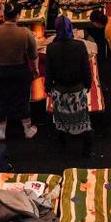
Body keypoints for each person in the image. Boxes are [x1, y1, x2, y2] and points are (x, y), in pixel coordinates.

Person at [0, 2, 39, 140]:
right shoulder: (25, 32)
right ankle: (27, 129)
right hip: (19, 71)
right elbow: (34, 55)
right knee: (23, 97)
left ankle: (2, 130)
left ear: (4, 15)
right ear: (18, 16)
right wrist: (36, 69)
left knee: (1, 98)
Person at [45, 16, 93, 157]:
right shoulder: (79, 46)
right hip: (77, 90)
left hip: (59, 90)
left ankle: (62, 146)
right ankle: (87, 150)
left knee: (61, 121)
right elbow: (86, 69)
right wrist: (88, 85)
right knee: (83, 120)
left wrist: (48, 88)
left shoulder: (51, 47)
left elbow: (49, 71)